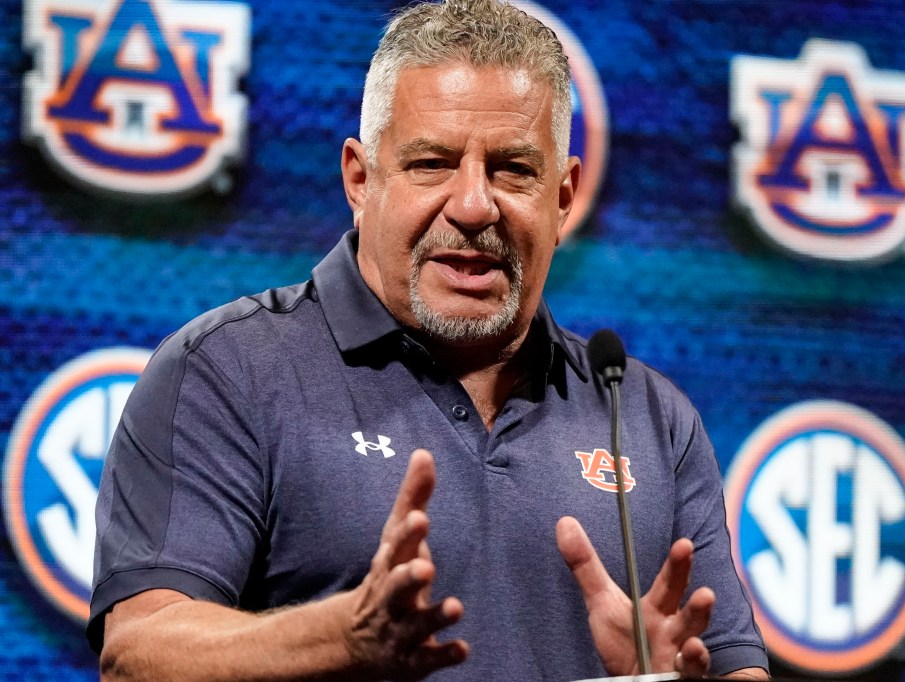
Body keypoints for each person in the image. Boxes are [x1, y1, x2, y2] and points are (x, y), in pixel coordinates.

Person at [89, 0, 770, 679]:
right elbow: (141, 651)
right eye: (432, 163)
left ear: (563, 199)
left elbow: (736, 667)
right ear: (360, 180)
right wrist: (340, 635)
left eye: (513, 169)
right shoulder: (228, 371)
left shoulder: (649, 419)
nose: (474, 206)